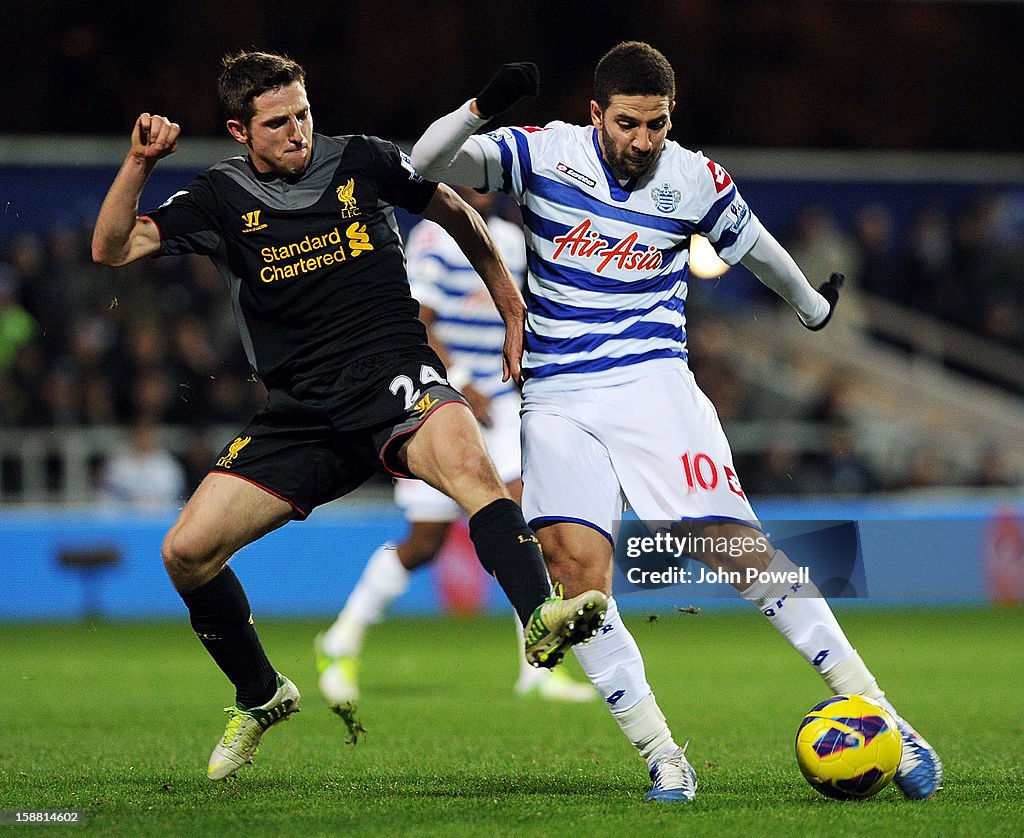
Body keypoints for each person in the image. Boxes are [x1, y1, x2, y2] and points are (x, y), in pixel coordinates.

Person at [411, 41, 942, 802]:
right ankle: (664, 756)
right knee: (575, 578)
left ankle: (893, 721)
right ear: (596, 113)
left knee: (732, 548)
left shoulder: (693, 178)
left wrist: (813, 308)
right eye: (628, 124)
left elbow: (760, 250)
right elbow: (427, 163)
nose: (643, 141)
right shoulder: (542, 155)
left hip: (652, 386)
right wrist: (479, 108)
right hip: (556, 396)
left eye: (657, 125)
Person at [91, 50, 607, 781]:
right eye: (277, 122)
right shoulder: (218, 197)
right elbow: (111, 247)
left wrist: (509, 298)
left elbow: (450, 206)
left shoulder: (362, 159)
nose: (297, 130)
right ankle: (261, 694)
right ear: (241, 130)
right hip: (302, 414)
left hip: (396, 375)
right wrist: (139, 162)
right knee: (186, 552)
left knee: (473, 472)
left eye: (302, 112)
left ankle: (539, 619)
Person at [316, 186, 594, 706]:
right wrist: (461, 379)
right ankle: (339, 638)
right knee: (425, 541)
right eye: (475, 179)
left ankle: (537, 666)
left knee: (521, 516)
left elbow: (524, 315)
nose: (485, 189)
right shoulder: (432, 242)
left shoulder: (510, 240)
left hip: (502, 403)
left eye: (491, 180)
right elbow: (419, 322)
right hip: (440, 396)